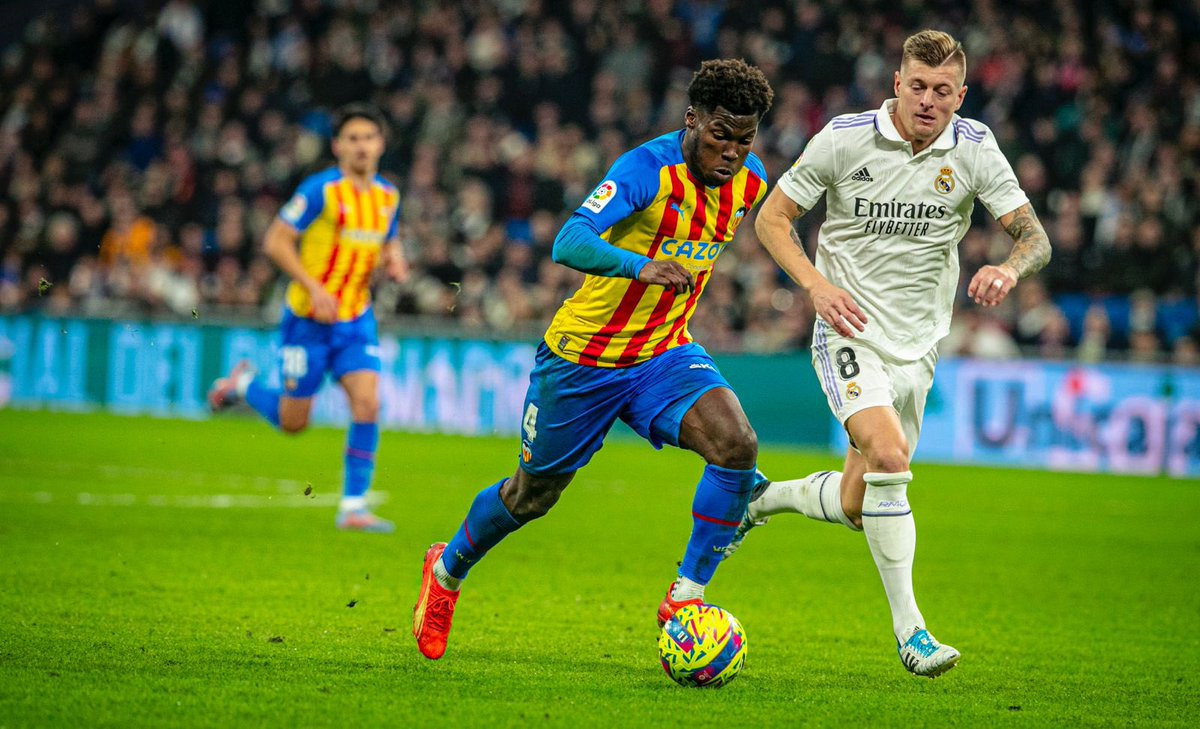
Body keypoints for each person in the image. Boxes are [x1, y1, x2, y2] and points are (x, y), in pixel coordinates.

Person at [411, 59, 775, 660]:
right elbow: (568, 241)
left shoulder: (753, 180)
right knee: (533, 496)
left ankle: (685, 599)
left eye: (744, 138)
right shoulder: (644, 170)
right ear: (692, 120)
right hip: (583, 358)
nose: (732, 151)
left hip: (662, 352)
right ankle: (446, 571)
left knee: (736, 444)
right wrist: (640, 265)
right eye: (720, 134)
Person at [743, 30, 1051, 678]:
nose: (929, 100)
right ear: (897, 84)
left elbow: (1034, 237)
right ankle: (912, 632)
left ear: (960, 95)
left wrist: (1010, 269)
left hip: (919, 347)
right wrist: (817, 287)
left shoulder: (974, 149)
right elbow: (772, 219)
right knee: (889, 455)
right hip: (848, 330)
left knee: (860, 503)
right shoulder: (844, 138)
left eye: (943, 90)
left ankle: (759, 501)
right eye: (918, 86)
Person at [207, 103, 409, 533]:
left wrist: (396, 260)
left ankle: (353, 506)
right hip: (307, 320)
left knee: (368, 402)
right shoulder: (320, 191)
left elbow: (389, 240)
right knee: (293, 422)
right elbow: (275, 241)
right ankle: (243, 384)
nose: (361, 146)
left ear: (381, 144)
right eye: (352, 138)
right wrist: (313, 287)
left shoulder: (388, 197)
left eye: (368, 138)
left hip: (355, 319)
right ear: (337, 146)